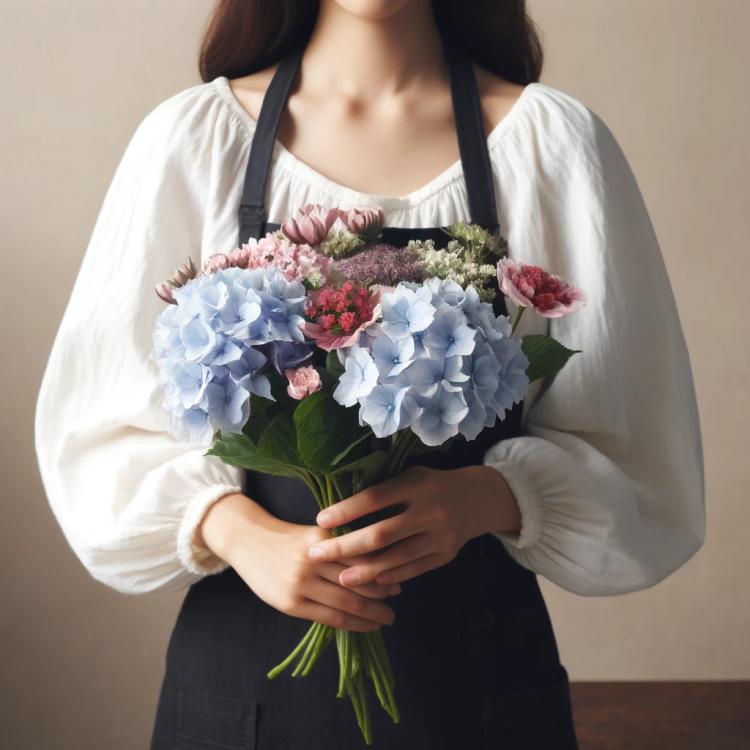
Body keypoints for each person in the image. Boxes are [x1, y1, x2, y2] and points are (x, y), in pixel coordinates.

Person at [34, 1, 706, 748]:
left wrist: (488, 497)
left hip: (476, 695)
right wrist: (235, 530)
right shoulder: (193, 141)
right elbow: (94, 431)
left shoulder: (548, 145)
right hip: (243, 698)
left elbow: (645, 461)